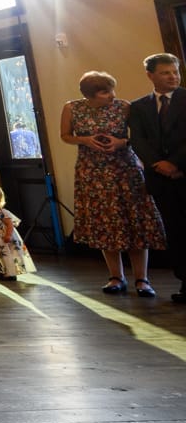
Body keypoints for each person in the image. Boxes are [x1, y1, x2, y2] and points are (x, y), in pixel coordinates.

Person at [69, 70, 166, 296]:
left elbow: (139, 136)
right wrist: (85, 140)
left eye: (112, 89)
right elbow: (65, 135)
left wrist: (121, 142)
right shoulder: (72, 108)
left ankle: (142, 279)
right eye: (105, 92)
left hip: (124, 168)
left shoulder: (123, 106)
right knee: (106, 224)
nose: (112, 95)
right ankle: (116, 276)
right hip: (92, 171)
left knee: (135, 221)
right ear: (90, 94)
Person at [127, 53, 186, 302]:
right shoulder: (140, 107)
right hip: (161, 179)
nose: (173, 76)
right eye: (165, 72)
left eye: (175, 71)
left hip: (184, 171)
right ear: (150, 75)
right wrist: (158, 164)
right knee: (177, 231)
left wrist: (175, 163)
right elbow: (138, 139)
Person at [0, 182, 34, 280]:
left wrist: (8, 235)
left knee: (6, 253)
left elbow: (9, 224)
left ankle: (10, 273)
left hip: (2, 237)